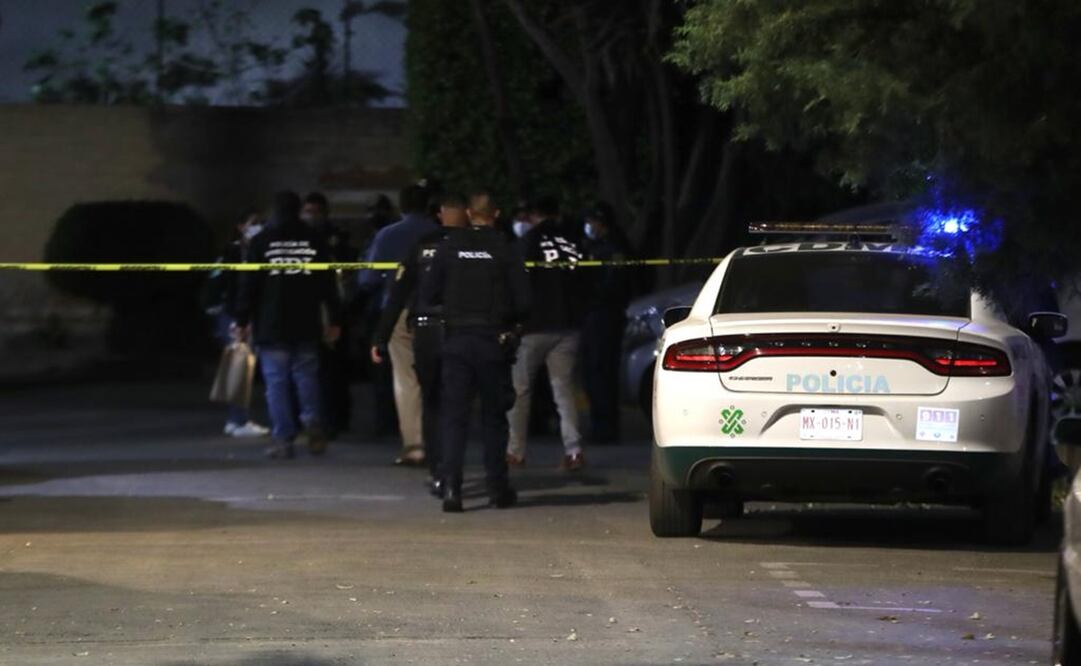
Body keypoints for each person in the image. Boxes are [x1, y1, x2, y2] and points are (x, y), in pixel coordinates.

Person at [422, 191, 530, 512]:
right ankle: (498, 488)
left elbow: (427, 295)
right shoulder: (505, 249)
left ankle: (452, 489)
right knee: (493, 418)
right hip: (492, 342)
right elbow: (525, 301)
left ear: (469, 213)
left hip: (457, 340)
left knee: (454, 418)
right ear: (495, 214)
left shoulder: (449, 247)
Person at [370, 192, 471, 496]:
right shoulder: (481, 244)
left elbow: (397, 290)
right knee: (458, 402)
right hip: (467, 329)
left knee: (422, 391)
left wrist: (380, 335)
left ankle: (431, 462)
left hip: (423, 325)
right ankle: (458, 470)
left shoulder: (419, 243)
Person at [235, 191, 342, 459]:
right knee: (306, 376)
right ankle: (313, 422)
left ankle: (284, 438)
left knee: (277, 383)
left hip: (271, 324)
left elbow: (249, 285)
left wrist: (242, 320)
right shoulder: (314, 240)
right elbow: (328, 284)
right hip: (306, 321)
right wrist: (335, 319)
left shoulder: (261, 241)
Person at [356, 183, 438, 466]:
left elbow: (367, 279)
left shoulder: (387, 235)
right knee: (439, 376)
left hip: (399, 311)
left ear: (401, 207)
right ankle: (441, 441)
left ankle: (414, 446)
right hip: (438, 312)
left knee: (405, 378)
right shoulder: (441, 233)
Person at [506, 195, 586, 470]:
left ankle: (515, 452)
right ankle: (574, 450)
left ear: (532, 215)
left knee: (520, 390)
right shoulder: (573, 241)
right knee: (563, 391)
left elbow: (516, 285)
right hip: (568, 326)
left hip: (533, 327)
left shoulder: (527, 242)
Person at [202, 208, 270, 438]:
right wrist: (225, 314)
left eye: (261, 222)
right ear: (241, 226)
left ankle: (237, 419)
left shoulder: (259, 251)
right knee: (240, 367)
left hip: (246, 315)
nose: (258, 226)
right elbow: (216, 284)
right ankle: (237, 420)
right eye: (254, 222)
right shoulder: (231, 252)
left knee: (243, 367)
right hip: (234, 316)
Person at [301, 192, 354, 438]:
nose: (312, 217)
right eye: (308, 211)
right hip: (312, 311)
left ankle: (335, 420)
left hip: (333, 309)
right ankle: (318, 420)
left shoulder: (336, 239)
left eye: (316, 212)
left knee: (334, 371)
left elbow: (342, 278)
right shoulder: (302, 238)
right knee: (314, 370)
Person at [579, 203, 631, 442]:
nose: (589, 227)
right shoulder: (594, 246)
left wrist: (591, 292)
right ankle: (600, 423)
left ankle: (606, 427)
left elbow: (614, 285)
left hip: (605, 316)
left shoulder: (614, 247)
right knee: (592, 372)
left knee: (602, 373)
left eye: (592, 222)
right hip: (594, 315)